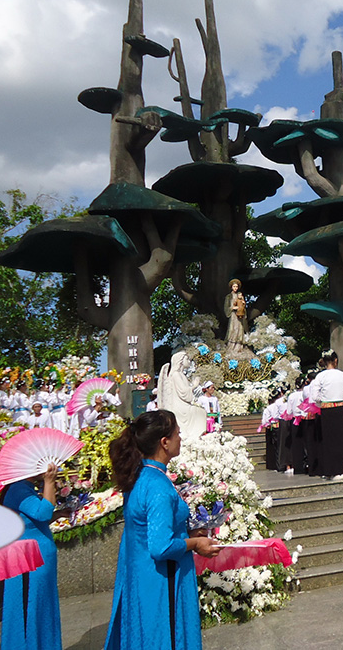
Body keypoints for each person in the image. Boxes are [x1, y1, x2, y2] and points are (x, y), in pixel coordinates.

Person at [105, 410, 220, 650]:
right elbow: (160, 546)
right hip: (161, 579)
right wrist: (195, 544)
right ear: (164, 443)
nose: (181, 438)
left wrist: (187, 535)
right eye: (177, 434)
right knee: (164, 638)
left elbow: (147, 530)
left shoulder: (140, 476)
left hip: (140, 575)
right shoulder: (157, 485)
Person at [0, 463, 62, 650]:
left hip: (37, 559)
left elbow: (33, 520)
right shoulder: (18, 489)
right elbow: (42, 513)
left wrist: (58, 514)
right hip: (29, 561)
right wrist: (49, 482)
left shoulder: (25, 488)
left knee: (42, 608)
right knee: (30, 609)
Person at [310, 351, 343, 480]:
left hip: (326, 410)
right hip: (340, 408)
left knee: (328, 440)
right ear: (335, 360)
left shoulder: (320, 376)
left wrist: (324, 400)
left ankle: (329, 470)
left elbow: (314, 397)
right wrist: (339, 397)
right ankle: (342, 468)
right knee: (341, 439)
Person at [157, 351, 207, 441]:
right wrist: (194, 385)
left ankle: (194, 436)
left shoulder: (180, 374)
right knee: (200, 412)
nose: (188, 361)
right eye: (186, 359)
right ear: (180, 361)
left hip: (183, 404)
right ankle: (192, 436)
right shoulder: (176, 375)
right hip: (179, 407)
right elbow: (183, 393)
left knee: (200, 412)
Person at [224, 278, 249, 356]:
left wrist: (243, 305)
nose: (235, 288)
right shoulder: (229, 296)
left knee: (239, 329)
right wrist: (232, 308)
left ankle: (238, 347)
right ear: (231, 287)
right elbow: (226, 307)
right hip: (233, 316)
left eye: (236, 287)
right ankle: (231, 347)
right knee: (233, 329)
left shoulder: (240, 296)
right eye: (234, 286)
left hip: (239, 316)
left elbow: (243, 306)